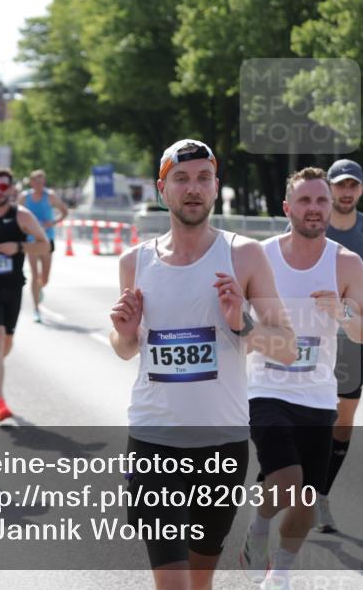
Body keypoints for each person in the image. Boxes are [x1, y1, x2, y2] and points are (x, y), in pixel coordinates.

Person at [109, 139, 296, 590]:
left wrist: (241, 324)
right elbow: (124, 348)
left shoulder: (244, 256)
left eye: (203, 178)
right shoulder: (135, 261)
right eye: (181, 179)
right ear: (162, 188)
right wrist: (126, 331)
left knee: (199, 580)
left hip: (222, 443)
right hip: (154, 438)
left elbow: (288, 346)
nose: (193, 188)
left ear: (216, 188)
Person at [241, 167, 363, 590]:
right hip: (265, 388)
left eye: (322, 201)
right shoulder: (258, 256)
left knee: (306, 497)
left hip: (318, 394)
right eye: (305, 201)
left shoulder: (346, 263)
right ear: (287, 207)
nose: (315, 209)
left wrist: (344, 312)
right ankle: (260, 524)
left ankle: (280, 572)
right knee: (286, 482)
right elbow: (231, 321)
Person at [314, 159, 363, 533]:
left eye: (353, 186)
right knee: (310, 417)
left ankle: (321, 495)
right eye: (340, 185)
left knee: (343, 421)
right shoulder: (310, 220)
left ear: (361, 190)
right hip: (310, 337)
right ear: (329, 188)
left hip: (350, 339)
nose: (346, 192)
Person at [0, 167, 48, 425]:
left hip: (13, 287)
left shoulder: (22, 216)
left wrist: (19, 246)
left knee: (7, 343)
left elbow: (44, 244)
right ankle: (0, 403)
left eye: (4, 187)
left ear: (12, 189)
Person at [19, 169, 69, 323]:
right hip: (31, 240)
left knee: (45, 277)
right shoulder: (24, 197)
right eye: (37, 181)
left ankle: (40, 288)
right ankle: (36, 309)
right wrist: (24, 228)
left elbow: (64, 211)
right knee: (34, 274)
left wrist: (52, 222)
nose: (40, 185)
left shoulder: (50, 196)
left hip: (47, 239)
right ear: (32, 182)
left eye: (42, 182)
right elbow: (16, 214)